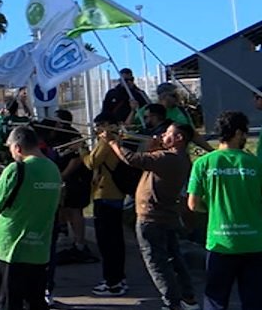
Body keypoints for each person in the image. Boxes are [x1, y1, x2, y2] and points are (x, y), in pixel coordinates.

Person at [104, 121, 198, 310]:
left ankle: (171, 303)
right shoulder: (180, 158)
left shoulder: (167, 157)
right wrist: (152, 148)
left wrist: (113, 143)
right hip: (166, 216)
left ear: (179, 138)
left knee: (156, 262)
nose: (162, 135)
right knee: (174, 259)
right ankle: (188, 299)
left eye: (168, 133)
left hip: (151, 218)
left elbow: (131, 158)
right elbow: (149, 163)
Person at [188, 111, 262, 310]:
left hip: (220, 242)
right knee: (254, 300)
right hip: (254, 241)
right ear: (238, 133)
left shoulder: (203, 163)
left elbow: (193, 204)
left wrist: (213, 207)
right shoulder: (255, 164)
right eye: (245, 133)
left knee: (216, 299)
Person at [0, 127, 62, 310]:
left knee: (9, 302)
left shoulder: (16, 169)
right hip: (39, 249)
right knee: (35, 302)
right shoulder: (53, 169)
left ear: (18, 148)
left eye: (11, 149)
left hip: (11, 249)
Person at [81, 113, 130, 296]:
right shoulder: (119, 139)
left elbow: (91, 162)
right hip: (115, 194)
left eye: (100, 125)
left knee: (107, 242)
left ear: (109, 125)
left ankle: (113, 283)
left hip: (105, 195)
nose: (97, 130)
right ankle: (118, 278)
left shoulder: (107, 141)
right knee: (115, 240)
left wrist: (82, 151)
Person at [51, 110, 97, 266]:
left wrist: (62, 176)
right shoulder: (56, 135)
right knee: (63, 207)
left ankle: (80, 244)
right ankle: (66, 236)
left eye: (57, 120)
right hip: (66, 179)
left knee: (74, 209)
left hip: (77, 179)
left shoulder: (71, 135)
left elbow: (76, 160)